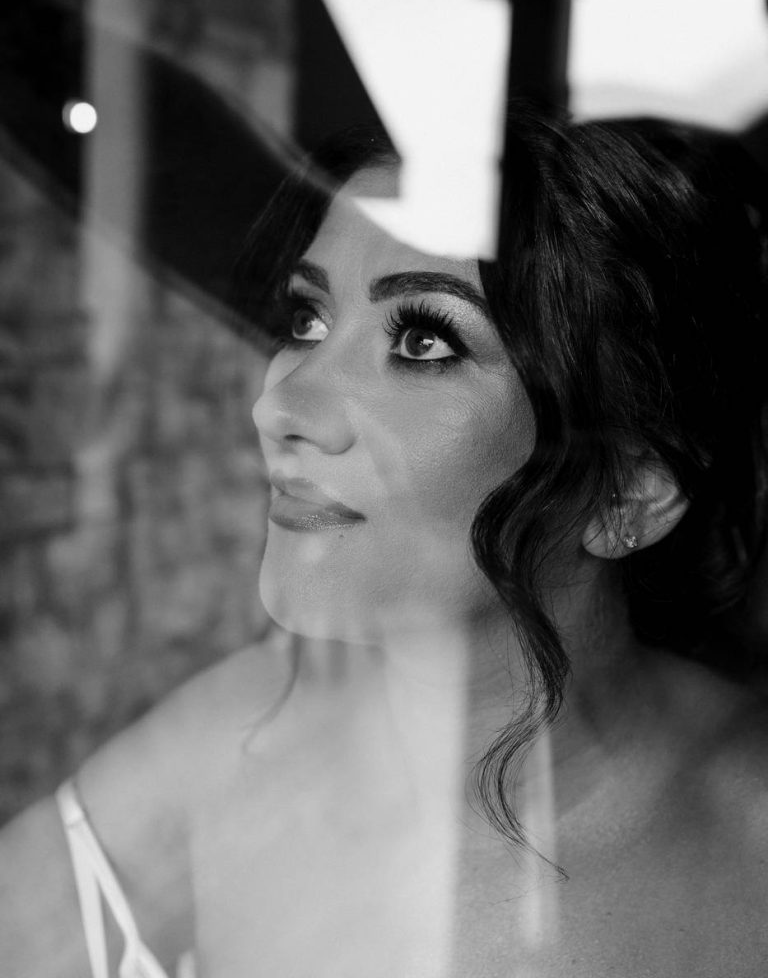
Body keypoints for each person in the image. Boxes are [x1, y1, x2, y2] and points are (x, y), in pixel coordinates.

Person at [3, 106, 768, 978]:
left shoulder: (748, 853)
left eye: (421, 340)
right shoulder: (225, 747)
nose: (279, 404)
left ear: (629, 487)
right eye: (308, 320)